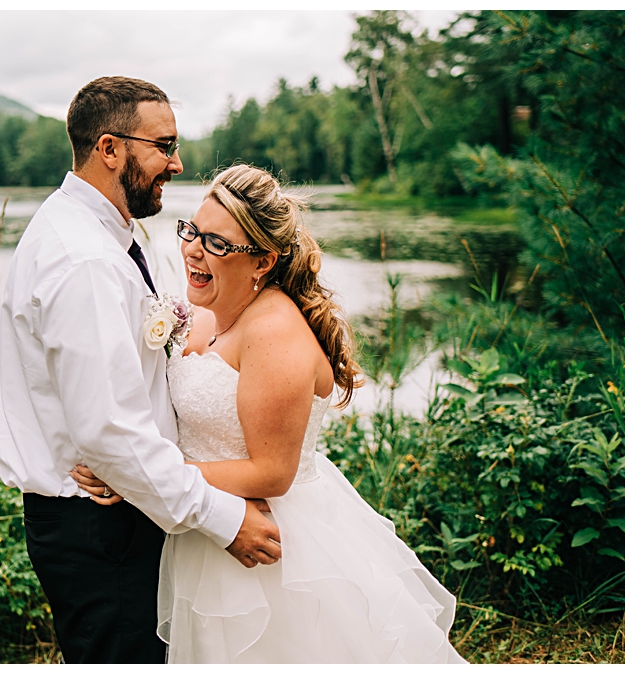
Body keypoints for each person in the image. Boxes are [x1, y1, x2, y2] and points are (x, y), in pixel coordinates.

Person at [72, 164, 469, 663]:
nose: (193, 249)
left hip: (274, 544)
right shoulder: (201, 314)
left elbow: (272, 472)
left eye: (218, 243)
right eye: (192, 231)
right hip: (208, 526)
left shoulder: (274, 332)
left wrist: (137, 476)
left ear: (262, 261)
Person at [0, 78, 283, 665]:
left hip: (116, 514)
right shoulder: (85, 261)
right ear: (109, 149)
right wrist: (224, 519)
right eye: (164, 145)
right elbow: (110, 434)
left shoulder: (91, 232)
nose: (176, 162)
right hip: (101, 527)